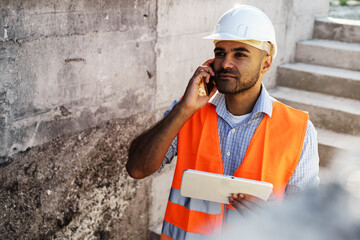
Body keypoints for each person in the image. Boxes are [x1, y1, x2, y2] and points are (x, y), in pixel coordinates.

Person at [126, 5, 319, 240]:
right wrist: (183, 109)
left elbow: (310, 219)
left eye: (240, 54)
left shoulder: (298, 130)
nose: (225, 63)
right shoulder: (186, 113)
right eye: (220, 53)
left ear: (266, 64)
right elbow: (136, 168)